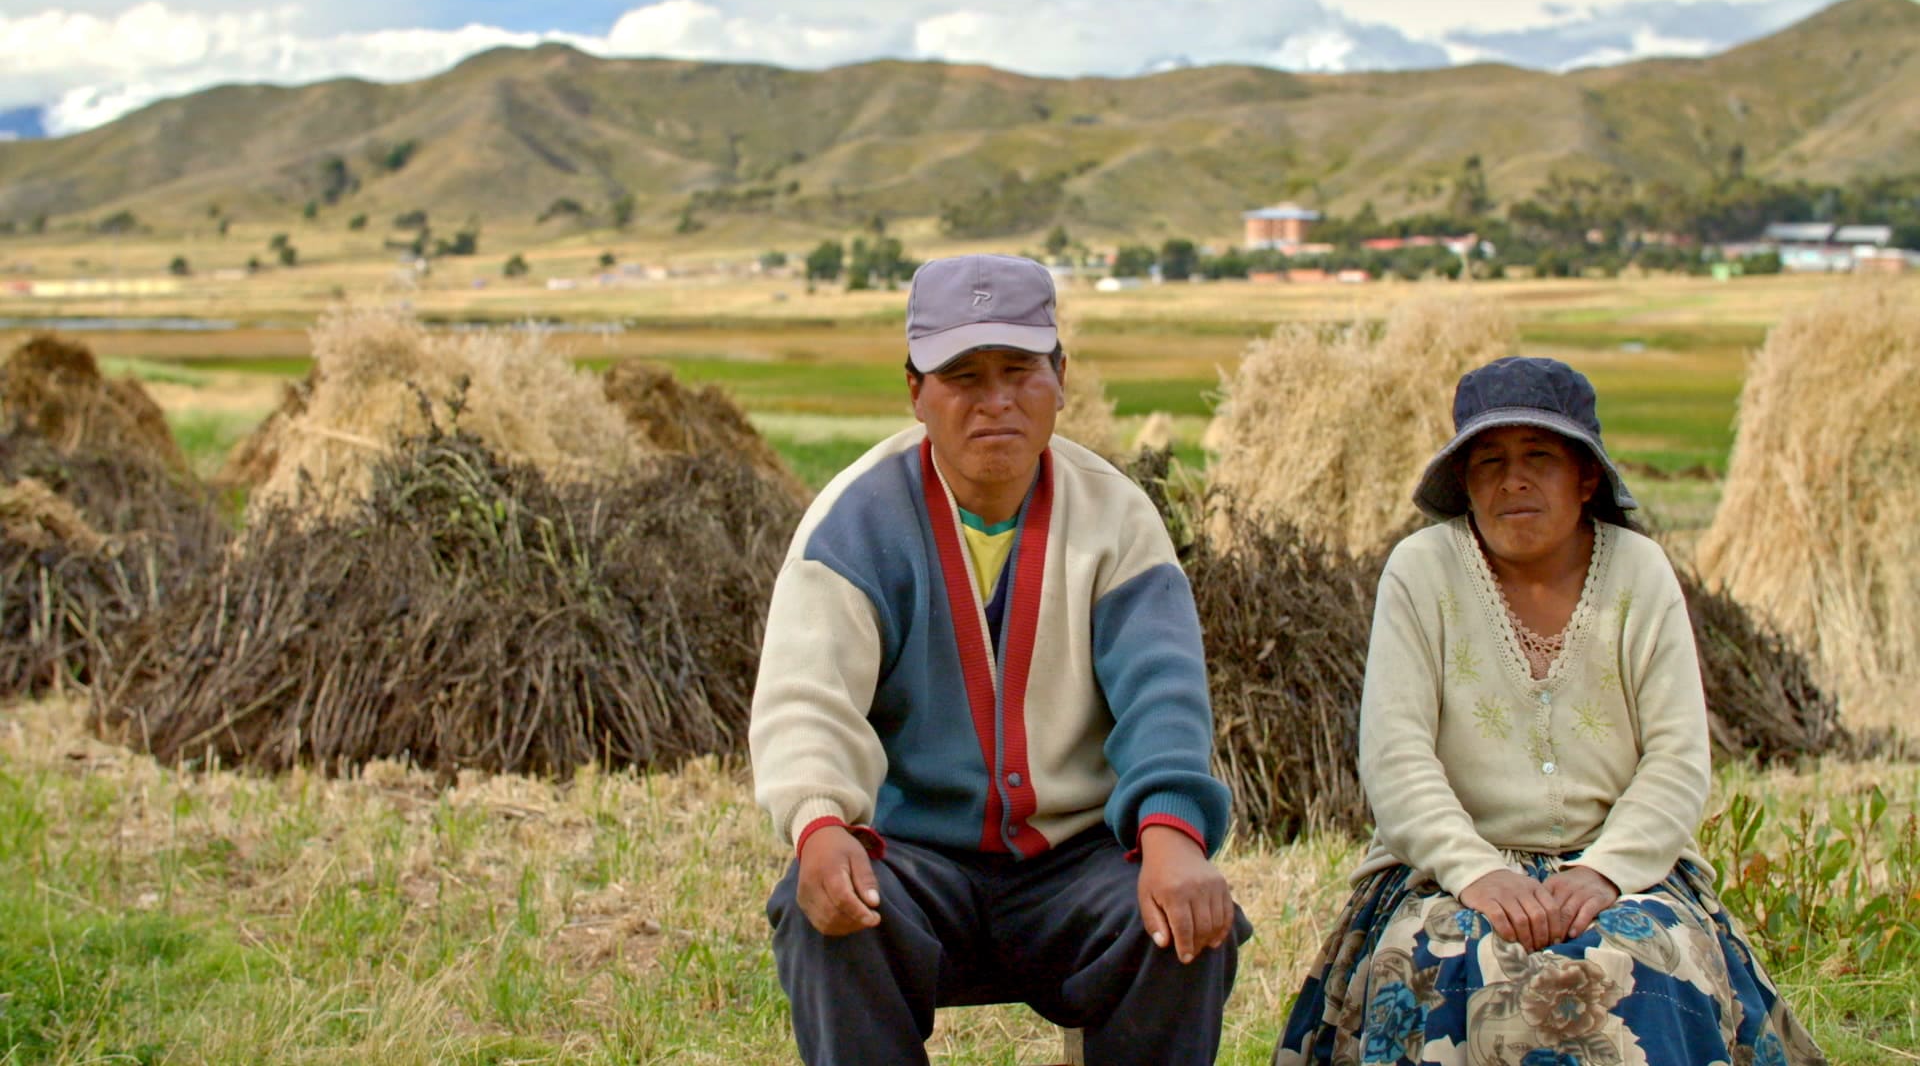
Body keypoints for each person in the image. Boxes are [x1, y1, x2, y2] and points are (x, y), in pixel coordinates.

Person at [751, 253, 1251, 1066]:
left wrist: (1171, 834)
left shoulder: (1116, 520)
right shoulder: (854, 522)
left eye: (1020, 370)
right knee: (825, 917)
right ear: (914, 389)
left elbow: (1162, 697)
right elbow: (809, 698)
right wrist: (820, 823)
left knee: (1180, 925)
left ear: (1060, 374)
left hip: (1078, 865)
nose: (995, 402)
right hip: (911, 862)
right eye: (962, 376)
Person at [1275, 356, 1824, 1065]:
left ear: (1586, 477)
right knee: (1438, 959)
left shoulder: (1639, 572)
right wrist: (1476, 872)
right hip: (1447, 869)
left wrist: (1603, 873)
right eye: (1490, 461)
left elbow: (1677, 757)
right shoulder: (1421, 570)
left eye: (1539, 456)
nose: (1513, 480)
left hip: (1625, 867)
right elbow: (1395, 756)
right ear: (1465, 482)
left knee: (1649, 962)